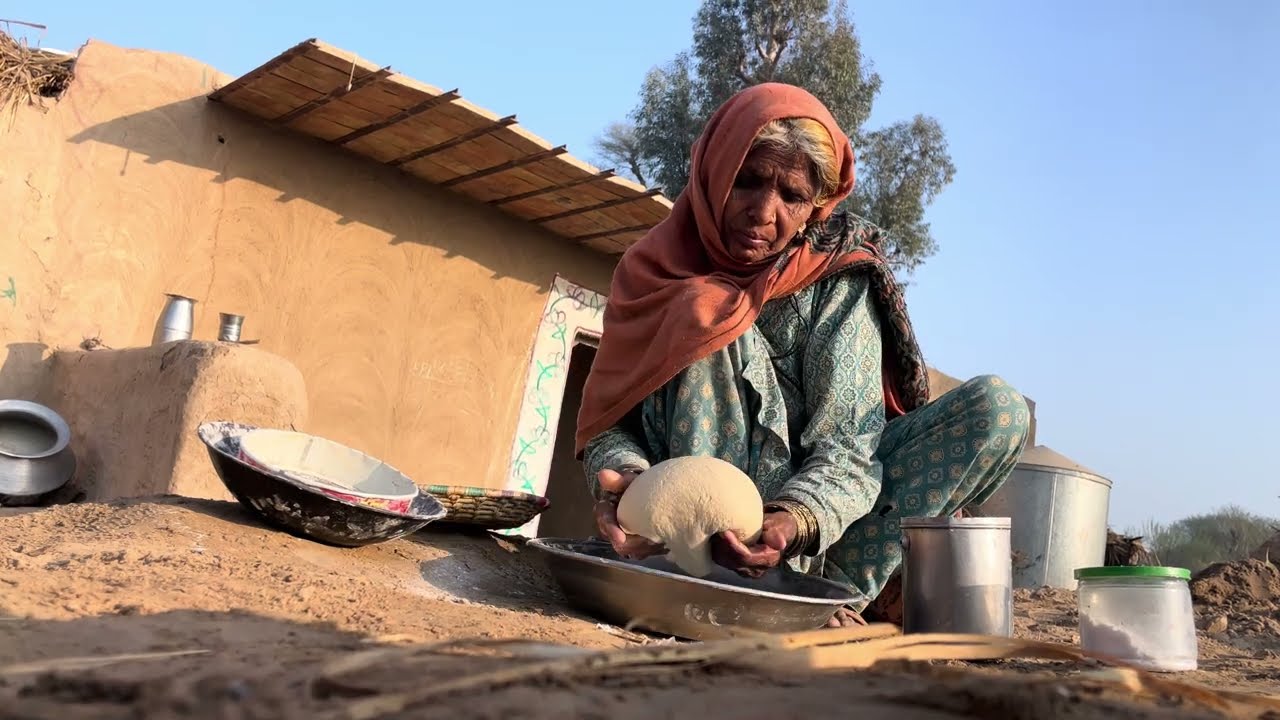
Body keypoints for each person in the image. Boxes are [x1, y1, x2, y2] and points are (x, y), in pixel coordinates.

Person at [574, 82, 1030, 627]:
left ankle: (816, 595)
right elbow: (611, 425)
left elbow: (848, 443)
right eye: (747, 181)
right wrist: (625, 479)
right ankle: (721, 582)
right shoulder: (655, 275)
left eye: (791, 196)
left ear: (815, 205)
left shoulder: (835, 283)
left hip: (813, 539)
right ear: (713, 172)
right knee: (708, 311)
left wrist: (793, 519)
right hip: (688, 544)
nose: (763, 212)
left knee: (998, 410)